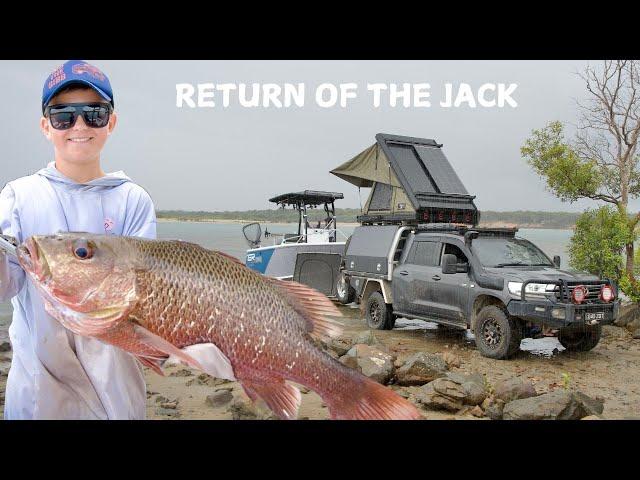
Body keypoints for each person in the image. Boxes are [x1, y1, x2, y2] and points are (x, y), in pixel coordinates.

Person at [0, 60, 157, 419]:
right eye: (63, 116)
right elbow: (5, 286)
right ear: (46, 126)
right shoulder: (18, 196)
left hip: (116, 398)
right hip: (37, 398)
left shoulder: (132, 200)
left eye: (94, 113)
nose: (80, 126)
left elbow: (139, 302)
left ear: (111, 122)